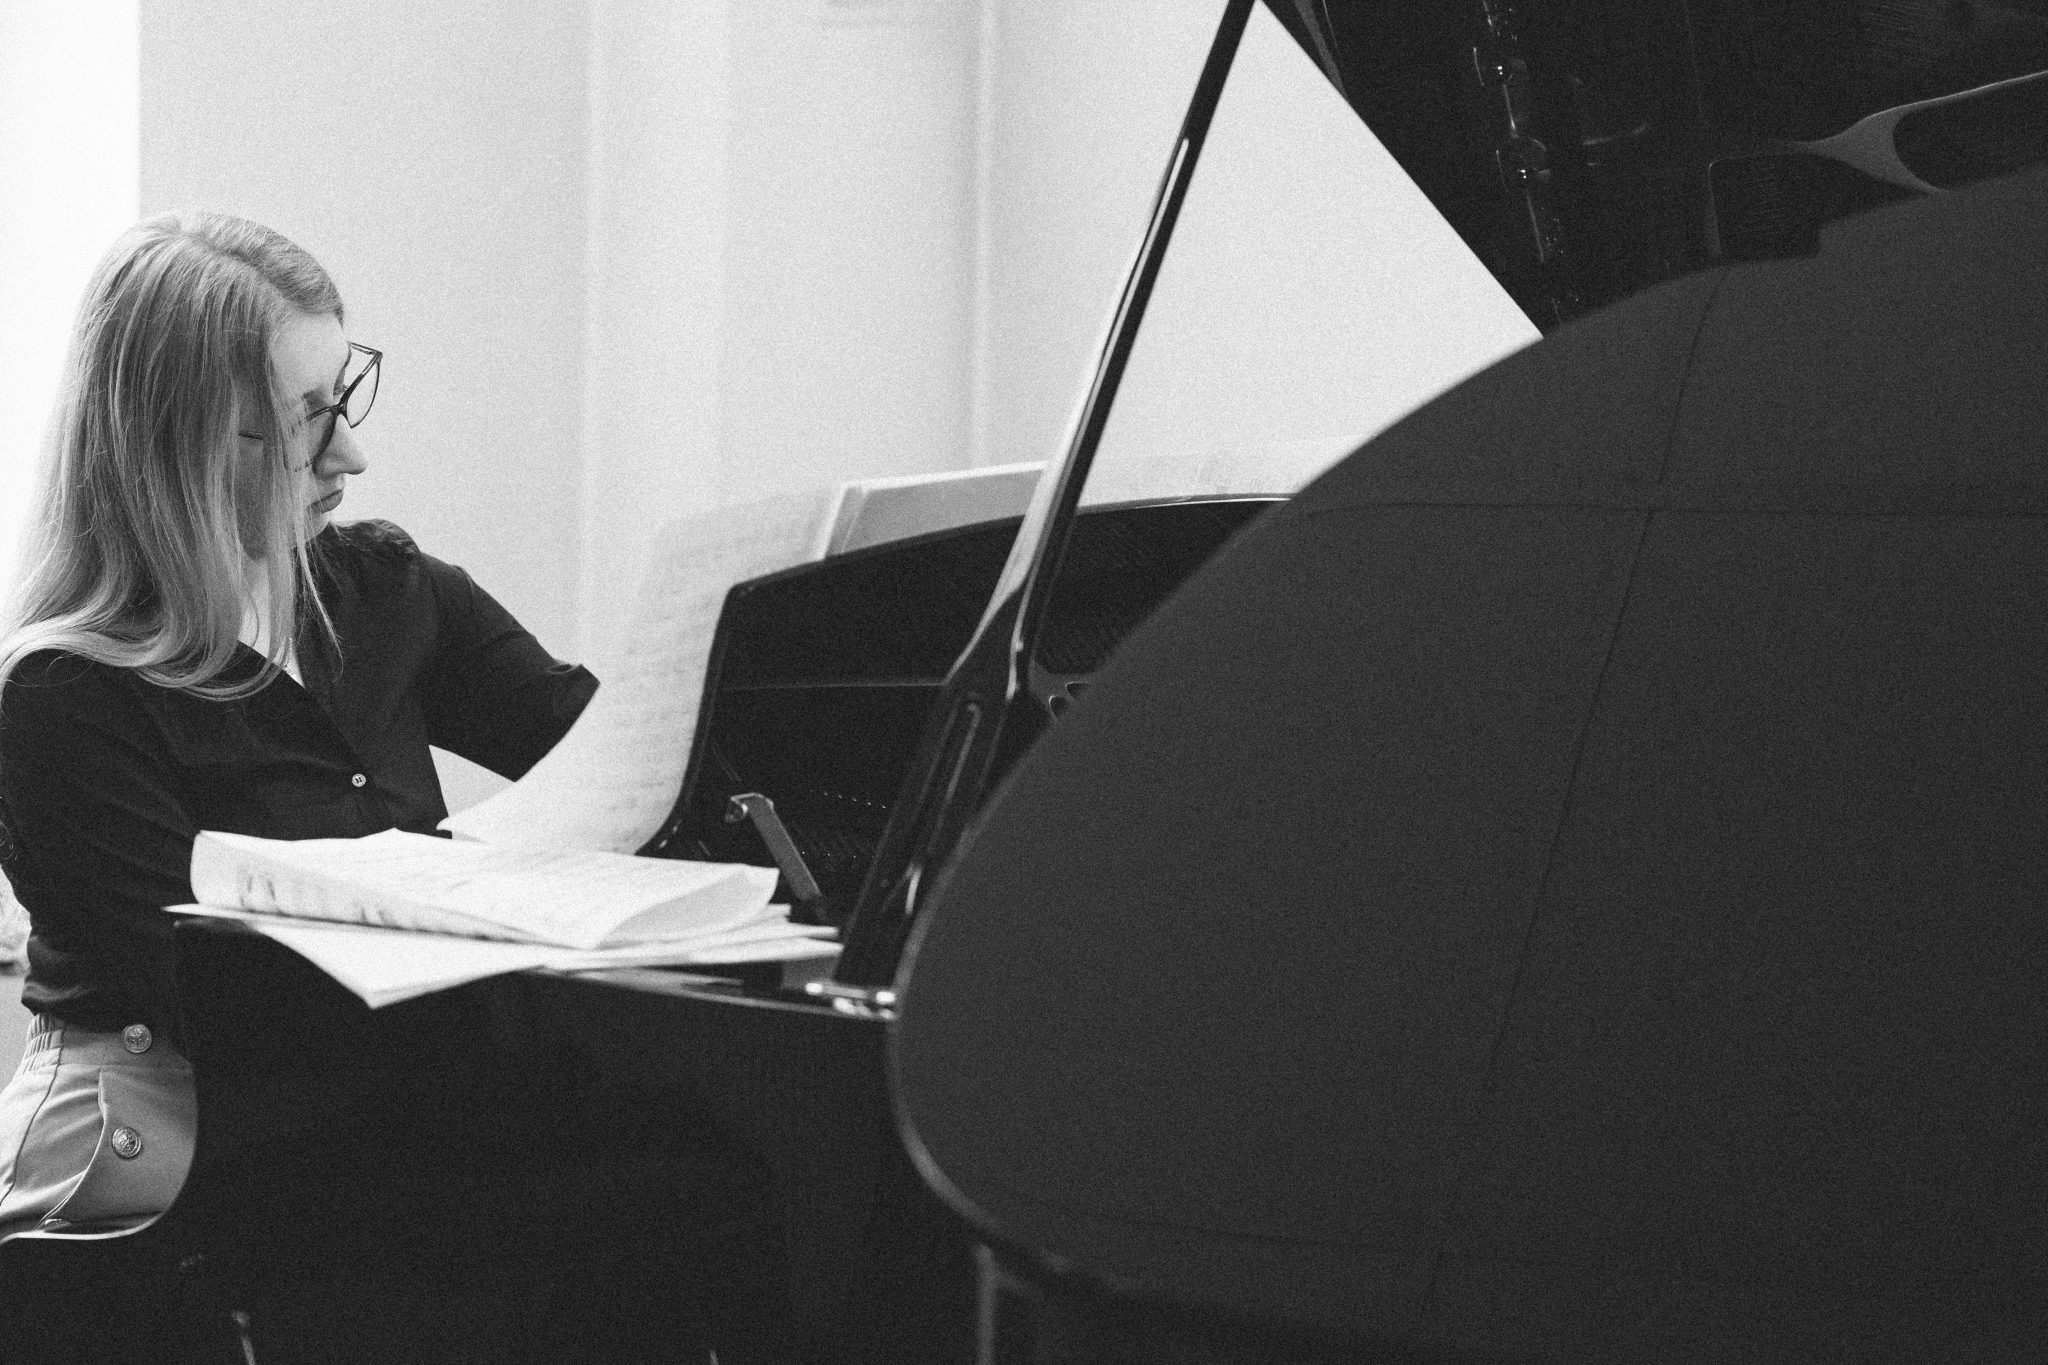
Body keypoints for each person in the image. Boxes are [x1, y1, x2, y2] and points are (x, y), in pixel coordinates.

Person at [0, 212, 789, 1362]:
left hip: (410, 1109)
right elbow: (200, 996)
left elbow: (628, 761)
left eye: (344, 402)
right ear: (179, 443)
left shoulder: (384, 590)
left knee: (711, 1180)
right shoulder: (65, 693)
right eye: (303, 422)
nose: (350, 458)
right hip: (211, 1143)